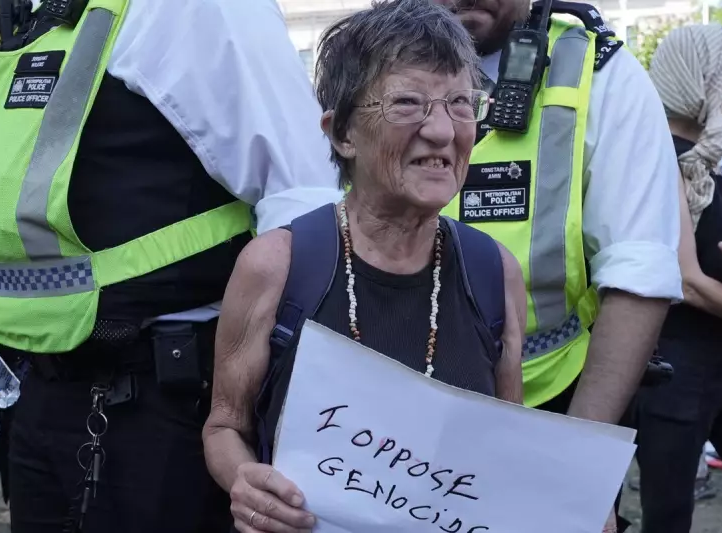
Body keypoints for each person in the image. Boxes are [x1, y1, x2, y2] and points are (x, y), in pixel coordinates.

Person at [0, 0, 342, 531]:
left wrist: (255, 405)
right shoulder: (38, 15)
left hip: (158, 408)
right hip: (41, 398)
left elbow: (303, 196)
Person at [203, 1, 527, 530]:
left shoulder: (495, 272)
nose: (443, 132)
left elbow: (506, 448)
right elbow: (223, 426)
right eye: (407, 103)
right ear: (341, 133)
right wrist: (245, 483)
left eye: (461, 104)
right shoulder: (277, 266)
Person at [431, 0, 683, 530]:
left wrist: (577, 466)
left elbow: (638, 272)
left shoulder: (599, 69)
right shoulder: (366, 70)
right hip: (398, 415)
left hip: (553, 409)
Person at [633, 23, 722, 533]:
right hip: (675, 376)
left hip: (717, 366)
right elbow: (686, 279)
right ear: (699, 78)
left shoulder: (712, 156)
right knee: (669, 516)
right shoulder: (656, 157)